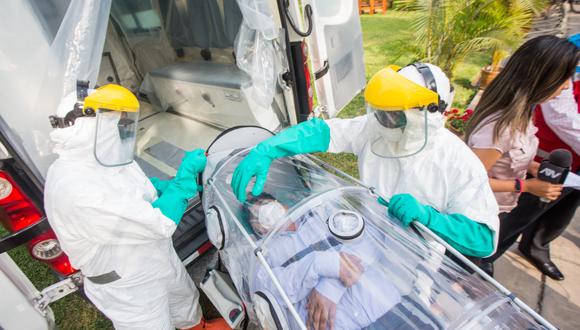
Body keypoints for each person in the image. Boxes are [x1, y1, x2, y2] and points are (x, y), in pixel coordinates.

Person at [231, 63, 500, 328]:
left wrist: (429, 218)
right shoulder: (376, 129)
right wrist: (270, 147)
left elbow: (483, 238)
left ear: (427, 113)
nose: (383, 122)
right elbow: (323, 132)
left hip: (408, 277)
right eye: (382, 113)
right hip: (362, 255)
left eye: (393, 115)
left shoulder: (457, 163)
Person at [44, 84, 227, 330]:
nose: (122, 128)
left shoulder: (100, 156)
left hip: (154, 257)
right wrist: (182, 184)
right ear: (91, 126)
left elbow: (131, 186)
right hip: (127, 283)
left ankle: (198, 327)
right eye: (115, 122)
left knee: (183, 299)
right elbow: (159, 223)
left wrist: (164, 187)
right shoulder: (76, 189)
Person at [465, 35, 579, 277]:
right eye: (564, 78)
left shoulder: (524, 111)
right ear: (542, 77)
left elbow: (509, 154)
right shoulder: (500, 126)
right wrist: (526, 185)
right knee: (464, 268)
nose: (567, 86)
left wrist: (533, 166)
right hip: (480, 216)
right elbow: (470, 181)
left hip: (498, 210)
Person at [245, 195, 438, 330]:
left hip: (392, 312)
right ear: (257, 230)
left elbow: (372, 238)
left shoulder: (324, 214)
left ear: (284, 205)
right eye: (254, 217)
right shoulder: (265, 252)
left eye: (265, 204)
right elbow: (270, 291)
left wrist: (330, 285)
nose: (262, 213)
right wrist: (319, 263)